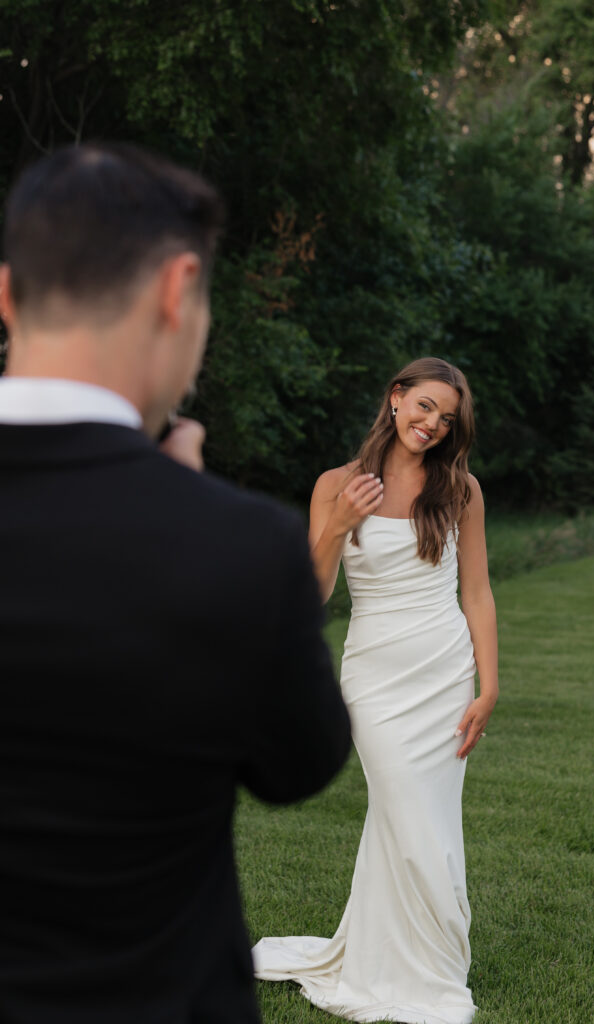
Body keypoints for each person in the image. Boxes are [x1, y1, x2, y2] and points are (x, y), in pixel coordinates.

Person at [0, 143, 351, 1024]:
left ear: (6, 295)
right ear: (176, 290)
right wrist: (191, 509)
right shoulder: (240, 545)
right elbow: (298, 765)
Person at [253, 357, 498, 1024]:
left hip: (444, 670)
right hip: (374, 676)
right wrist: (337, 523)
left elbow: (475, 592)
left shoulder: (460, 490)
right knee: (404, 813)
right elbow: (313, 595)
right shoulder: (336, 483)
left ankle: (428, 963)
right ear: (395, 399)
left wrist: (488, 685)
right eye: (424, 407)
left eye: (446, 418)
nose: (432, 425)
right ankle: (407, 962)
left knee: (427, 822)